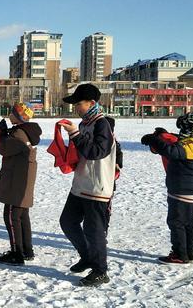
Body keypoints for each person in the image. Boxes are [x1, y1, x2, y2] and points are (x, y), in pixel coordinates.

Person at [58, 83, 117, 287]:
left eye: (78, 103)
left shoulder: (103, 124)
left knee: (94, 231)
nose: (75, 107)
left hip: (97, 188)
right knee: (67, 221)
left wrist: (75, 135)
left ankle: (101, 271)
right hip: (81, 184)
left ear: (92, 103)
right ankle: (87, 257)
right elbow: (83, 151)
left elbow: (97, 152)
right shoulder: (84, 124)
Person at [141, 113, 193, 264]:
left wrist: (154, 140)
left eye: (182, 127)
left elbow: (171, 151)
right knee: (189, 222)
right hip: (190, 187)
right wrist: (164, 134)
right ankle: (189, 252)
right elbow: (178, 141)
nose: (180, 131)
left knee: (176, 222)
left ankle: (180, 254)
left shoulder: (190, 146)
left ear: (189, 128)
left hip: (181, 187)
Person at [0, 103, 42, 266]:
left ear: (20, 117)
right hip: (23, 179)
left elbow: (4, 149)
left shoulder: (19, 133)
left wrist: (1, 135)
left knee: (11, 215)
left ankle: (17, 253)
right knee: (22, 215)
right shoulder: (27, 131)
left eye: (13, 113)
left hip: (18, 180)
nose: (9, 115)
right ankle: (27, 250)